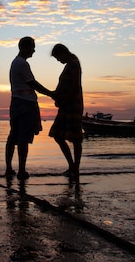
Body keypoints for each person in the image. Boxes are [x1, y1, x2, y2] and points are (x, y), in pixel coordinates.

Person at [6, 36, 54, 180]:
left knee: (13, 136)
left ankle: (9, 168)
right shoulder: (22, 64)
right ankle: (21, 170)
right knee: (23, 138)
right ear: (25, 47)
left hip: (16, 103)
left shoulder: (16, 63)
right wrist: (51, 93)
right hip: (25, 104)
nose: (34, 50)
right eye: (32, 47)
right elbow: (33, 83)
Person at [48, 44, 84, 178]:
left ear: (63, 53)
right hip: (66, 105)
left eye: (58, 58)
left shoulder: (73, 64)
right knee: (58, 135)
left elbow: (75, 86)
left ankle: (75, 168)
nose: (59, 61)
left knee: (75, 138)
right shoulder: (70, 64)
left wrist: (64, 100)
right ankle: (72, 166)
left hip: (72, 105)